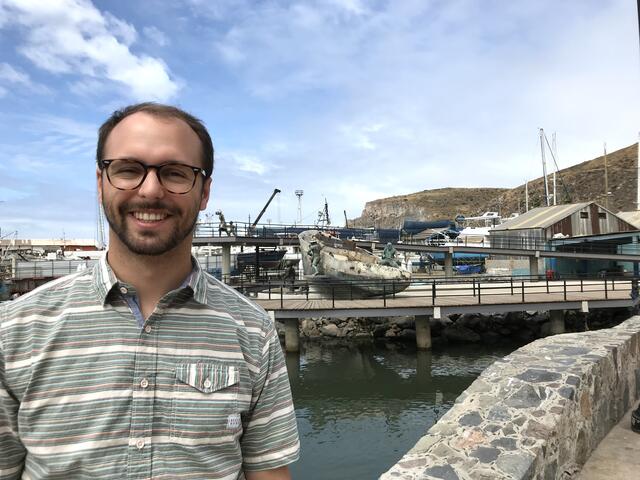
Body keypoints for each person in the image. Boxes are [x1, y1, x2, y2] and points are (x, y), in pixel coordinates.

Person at [0, 103, 299, 479]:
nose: (151, 190)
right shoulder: (14, 330)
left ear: (204, 192)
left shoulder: (253, 331)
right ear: (100, 182)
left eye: (175, 173)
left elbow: (269, 472)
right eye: (128, 169)